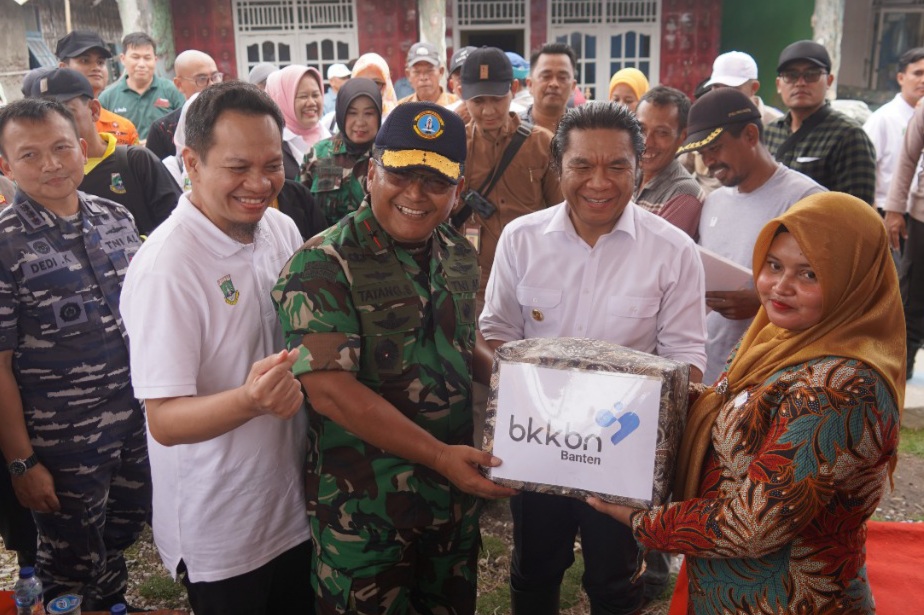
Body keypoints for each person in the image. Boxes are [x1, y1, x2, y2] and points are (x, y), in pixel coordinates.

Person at [587, 191, 904, 614]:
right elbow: (730, 408)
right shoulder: (782, 340)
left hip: (792, 602)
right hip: (727, 593)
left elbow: (755, 523)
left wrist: (638, 519)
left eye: (809, 274)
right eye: (774, 266)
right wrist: (631, 392)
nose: (780, 286)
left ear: (853, 279)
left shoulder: (843, 387)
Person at [273, 101, 517, 615]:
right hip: (364, 515)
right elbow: (331, 393)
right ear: (370, 173)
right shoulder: (322, 264)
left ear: (458, 186)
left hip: (451, 502)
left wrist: (518, 383)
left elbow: (457, 338)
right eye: (401, 173)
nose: (416, 193)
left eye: (435, 180)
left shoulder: (456, 252)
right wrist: (440, 458)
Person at [479, 101, 707, 615]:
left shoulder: (673, 251)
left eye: (617, 166)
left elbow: (687, 360)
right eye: (582, 165)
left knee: (614, 578)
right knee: (534, 568)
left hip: (622, 452)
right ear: (558, 166)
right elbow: (495, 335)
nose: (598, 182)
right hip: (538, 443)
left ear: (640, 166)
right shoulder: (521, 239)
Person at [120, 81, 313, 615]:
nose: (259, 183)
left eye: (272, 164)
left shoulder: (279, 228)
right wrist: (250, 400)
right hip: (223, 529)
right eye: (238, 167)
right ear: (192, 162)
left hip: (291, 504)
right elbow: (165, 419)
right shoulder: (168, 269)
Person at [0, 98, 149, 610]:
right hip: (62, 444)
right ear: (6, 166)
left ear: (82, 149)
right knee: (70, 560)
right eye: (30, 155)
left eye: (61, 148)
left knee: (121, 536)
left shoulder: (118, 219)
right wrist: (21, 462)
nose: (51, 164)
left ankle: (111, 602)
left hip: (135, 424)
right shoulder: (5, 245)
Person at [677, 88, 824, 384]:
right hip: (711, 368)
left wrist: (762, 301)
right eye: (702, 153)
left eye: (715, 148)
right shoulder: (714, 202)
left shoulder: (807, 201)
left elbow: (828, 292)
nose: (709, 162)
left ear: (750, 135)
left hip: (771, 373)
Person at [456, 47, 561, 305]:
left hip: (534, 278)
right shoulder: (454, 146)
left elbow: (562, 213)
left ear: (513, 88)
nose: (489, 111)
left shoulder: (541, 144)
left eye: (497, 99)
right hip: (473, 282)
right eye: (479, 101)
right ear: (461, 93)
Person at [31, 68, 180, 236]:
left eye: (65, 114)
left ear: (94, 110)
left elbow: (179, 226)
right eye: (43, 120)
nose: (55, 127)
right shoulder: (43, 180)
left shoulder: (136, 162)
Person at [764, 40, 876, 205]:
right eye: (791, 75)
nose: (800, 82)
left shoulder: (849, 136)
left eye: (811, 74)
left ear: (829, 81)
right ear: (779, 84)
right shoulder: (768, 133)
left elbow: (857, 212)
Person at [301, 77, 382, 226]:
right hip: (322, 246)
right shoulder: (318, 154)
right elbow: (299, 208)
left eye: (369, 113)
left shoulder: (388, 157)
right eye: (352, 113)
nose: (360, 122)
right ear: (341, 113)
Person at [885, 98, 924, 377]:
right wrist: (895, 210)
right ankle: (901, 371)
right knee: (912, 296)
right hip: (921, 216)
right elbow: (908, 158)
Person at [633, 85, 703, 238]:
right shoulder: (629, 175)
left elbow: (653, 256)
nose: (646, 142)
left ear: (683, 137)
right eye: (641, 129)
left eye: (661, 133)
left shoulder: (684, 194)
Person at [55, 30, 140, 146]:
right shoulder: (51, 123)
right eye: (85, 61)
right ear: (63, 68)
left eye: (100, 62)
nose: (96, 67)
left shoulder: (124, 128)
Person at [864, 47, 924, 211]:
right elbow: (866, 169)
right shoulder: (883, 118)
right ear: (901, 78)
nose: (923, 80)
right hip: (886, 210)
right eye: (917, 73)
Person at [98, 32, 184, 141]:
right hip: (124, 157)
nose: (141, 64)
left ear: (155, 60)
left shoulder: (172, 91)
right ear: (123, 59)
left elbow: (185, 128)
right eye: (135, 57)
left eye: (147, 58)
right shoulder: (107, 98)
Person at [146, 49, 223, 160]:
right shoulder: (163, 130)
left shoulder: (233, 119)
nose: (211, 85)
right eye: (202, 79)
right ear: (179, 84)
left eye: (215, 77)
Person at [265, 65, 330, 180]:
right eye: (303, 96)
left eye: (315, 95)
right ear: (283, 101)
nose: (311, 102)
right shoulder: (269, 146)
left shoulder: (336, 140)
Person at [520, 42, 578, 134]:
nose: (554, 84)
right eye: (546, 76)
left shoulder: (584, 130)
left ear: (573, 87)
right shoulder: (512, 130)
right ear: (530, 84)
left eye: (562, 78)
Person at [398, 41, 458, 106]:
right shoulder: (400, 109)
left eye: (429, 71)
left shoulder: (458, 105)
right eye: (417, 72)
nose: (423, 77)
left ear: (441, 72)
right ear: (408, 75)